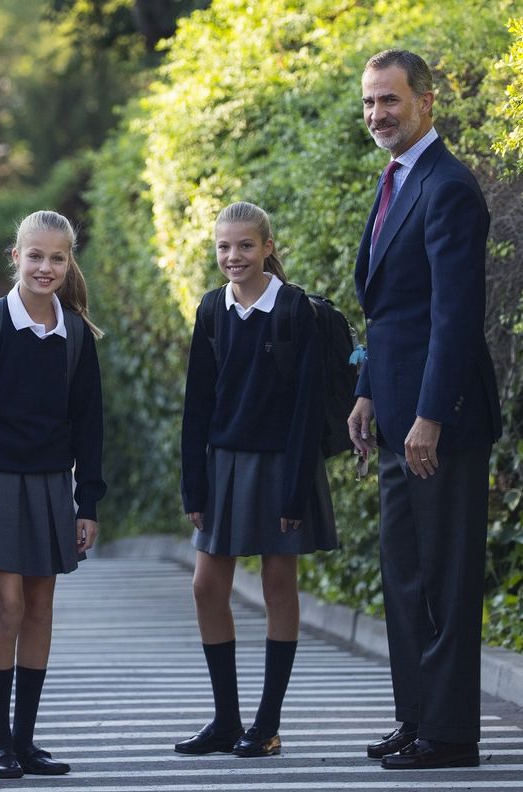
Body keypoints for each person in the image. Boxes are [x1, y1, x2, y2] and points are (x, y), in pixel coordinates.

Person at [347, 50, 502, 770]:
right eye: (371, 101)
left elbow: (453, 316)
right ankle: (415, 719)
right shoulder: (393, 182)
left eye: (390, 100)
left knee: (442, 577)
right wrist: (368, 391)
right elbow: (390, 310)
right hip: (394, 417)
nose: (378, 113)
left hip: (439, 425)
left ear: (425, 103)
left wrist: (429, 415)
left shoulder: (447, 187)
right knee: (404, 577)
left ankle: (449, 735)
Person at [0, 210, 106, 779]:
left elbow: (90, 426)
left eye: (57, 258)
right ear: (16, 257)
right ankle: (0, 743)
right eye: (35, 255)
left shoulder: (76, 334)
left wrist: (89, 503)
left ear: (68, 263)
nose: (46, 266)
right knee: (6, 609)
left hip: (53, 488)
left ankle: (28, 743)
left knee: (40, 609)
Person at [176, 201, 337, 758]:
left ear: (268, 246)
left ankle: (266, 724)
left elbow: (307, 411)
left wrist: (295, 490)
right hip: (222, 462)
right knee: (206, 586)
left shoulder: (296, 312)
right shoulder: (211, 310)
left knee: (277, 585)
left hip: (280, 465)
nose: (233, 256)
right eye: (224, 246)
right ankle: (226, 720)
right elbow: (197, 402)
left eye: (245, 245)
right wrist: (193, 483)